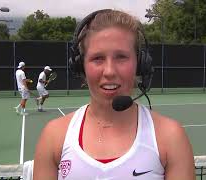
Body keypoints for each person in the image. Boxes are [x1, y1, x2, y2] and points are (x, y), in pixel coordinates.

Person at [33, 9, 195, 179]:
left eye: (121, 57)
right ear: (81, 66)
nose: (109, 71)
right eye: (98, 58)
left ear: (139, 63)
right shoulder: (54, 136)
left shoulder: (171, 136)